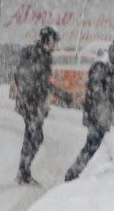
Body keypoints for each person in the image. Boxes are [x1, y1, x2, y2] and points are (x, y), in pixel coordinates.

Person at [64, 39, 114, 182]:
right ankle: (71, 174)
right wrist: (107, 108)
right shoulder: (101, 66)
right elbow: (97, 92)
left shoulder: (113, 67)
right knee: (92, 145)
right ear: (113, 53)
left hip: (108, 113)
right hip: (98, 114)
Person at [11, 26, 76, 185]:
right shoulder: (42, 56)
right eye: (55, 42)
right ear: (49, 41)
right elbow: (46, 81)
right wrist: (63, 94)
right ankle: (23, 171)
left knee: (30, 136)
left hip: (27, 101)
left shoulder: (32, 52)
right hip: (34, 103)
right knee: (36, 137)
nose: (56, 45)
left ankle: (23, 171)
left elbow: (43, 78)